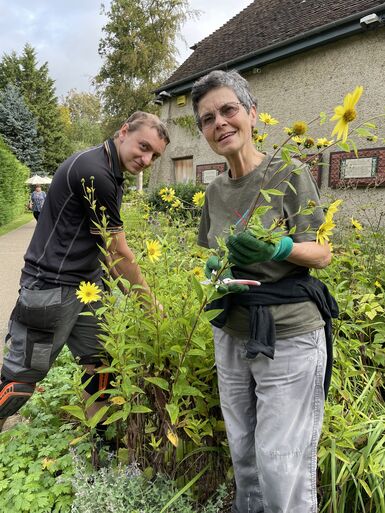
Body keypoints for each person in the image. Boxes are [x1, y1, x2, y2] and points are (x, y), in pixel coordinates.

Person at [191, 70, 338, 513]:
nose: (219, 122)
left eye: (228, 109)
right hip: (233, 329)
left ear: (252, 114)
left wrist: (282, 245)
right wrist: (216, 267)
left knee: (280, 461)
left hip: (289, 334)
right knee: (243, 450)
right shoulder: (215, 190)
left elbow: (324, 252)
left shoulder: (288, 172)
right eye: (207, 118)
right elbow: (213, 254)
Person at [0, 111, 170, 435]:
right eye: (143, 146)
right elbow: (117, 253)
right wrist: (150, 304)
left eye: (155, 155)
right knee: (20, 381)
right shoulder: (95, 171)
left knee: (102, 366)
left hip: (87, 286)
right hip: (51, 289)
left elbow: (106, 251)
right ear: (124, 132)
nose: (147, 159)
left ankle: (100, 450)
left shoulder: (109, 169)